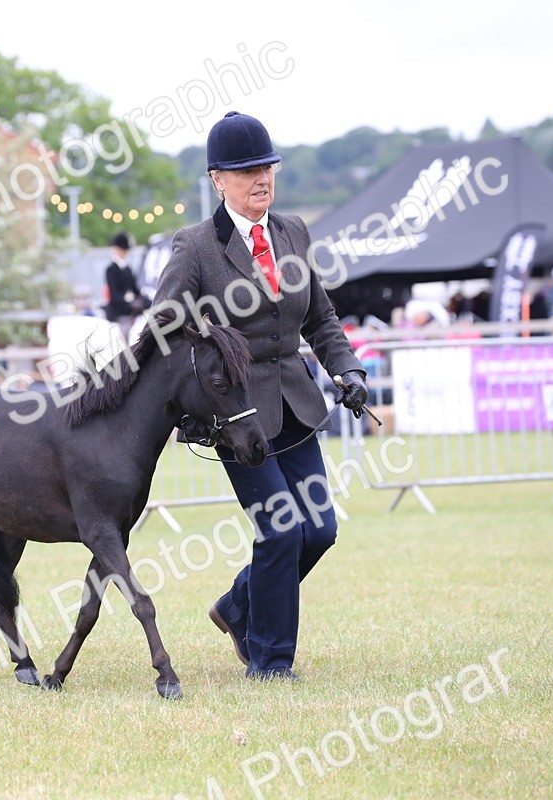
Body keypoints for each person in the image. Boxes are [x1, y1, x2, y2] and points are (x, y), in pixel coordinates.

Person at [153, 111, 368, 681]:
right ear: (218, 180)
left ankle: (237, 605)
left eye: (267, 167)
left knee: (319, 530)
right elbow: (164, 327)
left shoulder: (294, 231)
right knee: (279, 530)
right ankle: (270, 661)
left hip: (296, 405)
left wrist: (347, 369)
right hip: (237, 416)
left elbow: (320, 318)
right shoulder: (196, 246)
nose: (261, 179)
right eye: (246, 171)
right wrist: (198, 388)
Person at [103, 231, 142, 336]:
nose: (125, 253)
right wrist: (129, 302)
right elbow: (115, 294)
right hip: (118, 312)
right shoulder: (111, 269)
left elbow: (135, 289)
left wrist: (142, 300)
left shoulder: (128, 269)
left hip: (132, 311)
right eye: (123, 250)